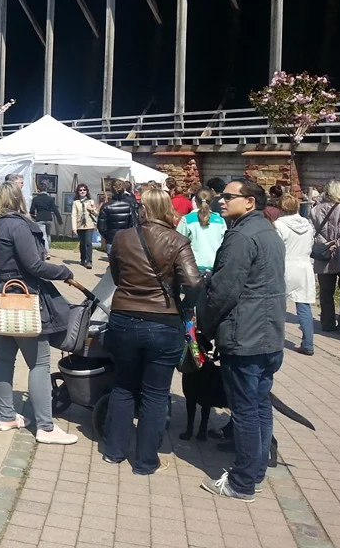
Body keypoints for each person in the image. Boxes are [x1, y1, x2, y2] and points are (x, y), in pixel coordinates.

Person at [103, 189, 201, 475]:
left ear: (142, 209)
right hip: (163, 319)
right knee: (156, 393)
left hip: (124, 316)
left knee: (123, 385)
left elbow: (115, 274)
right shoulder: (178, 241)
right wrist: (185, 306)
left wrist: (130, 290)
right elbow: (194, 283)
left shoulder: (122, 238)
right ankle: (146, 461)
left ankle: (114, 451)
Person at [199, 179, 285, 502]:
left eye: (228, 196)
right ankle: (255, 471)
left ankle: (242, 481)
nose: (221, 200)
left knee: (247, 410)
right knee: (260, 405)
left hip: (246, 336)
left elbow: (222, 291)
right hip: (267, 335)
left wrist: (205, 327)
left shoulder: (242, 235)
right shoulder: (268, 232)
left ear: (249, 202)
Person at [0, 182, 78, 443]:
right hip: (21, 299)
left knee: (3, 360)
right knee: (39, 364)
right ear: (18, 200)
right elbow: (34, 265)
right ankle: (46, 427)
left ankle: (6, 416)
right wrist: (63, 272)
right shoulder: (19, 225)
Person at [309, 180, 340, 334]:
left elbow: (312, 231)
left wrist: (324, 242)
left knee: (325, 291)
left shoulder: (315, 209)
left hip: (323, 253)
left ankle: (327, 323)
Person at [274, 194, 316, 356]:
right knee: (304, 306)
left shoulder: (278, 225)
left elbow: (276, 248)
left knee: (278, 305)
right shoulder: (307, 224)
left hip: (285, 265)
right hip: (304, 266)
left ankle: (276, 340)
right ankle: (308, 343)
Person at [176, 188, 227, 272]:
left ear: (195, 200)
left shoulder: (186, 219)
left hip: (192, 266)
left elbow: (178, 242)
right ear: (212, 201)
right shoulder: (220, 221)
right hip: (215, 266)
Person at [97, 179, 136, 252]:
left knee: (113, 262)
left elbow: (101, 226)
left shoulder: (106, 206)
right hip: (126, 238)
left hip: (112, 239)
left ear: (111, 190)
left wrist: (107, 236)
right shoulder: (130, 204)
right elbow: (133, 223)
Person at [29, 181, 63, 258]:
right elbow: (55, 210)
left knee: (43, 235)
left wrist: (34, 217)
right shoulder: (50, 199)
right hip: (49, 218)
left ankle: (47, 252)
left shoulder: (36, 199)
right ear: (46, 189)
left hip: (40, 218)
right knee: (48, 235)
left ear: (38, 190)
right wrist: (59, 219)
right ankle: (48, 250)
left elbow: (32, 210)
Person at [70, 183, 98, 269]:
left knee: (88, 242)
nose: (82, 191)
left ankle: (89, 261)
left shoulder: (91, 201)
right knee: (82, 243)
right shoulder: (76, 203)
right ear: (78, 192)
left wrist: (92, 210)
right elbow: (74, 215)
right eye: (80, 190)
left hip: (89, 225)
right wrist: (74, 228)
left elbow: (96, 213)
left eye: (84, 190)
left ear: (87, 191)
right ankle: (83, 259)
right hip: (80, 225)